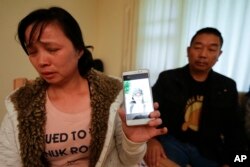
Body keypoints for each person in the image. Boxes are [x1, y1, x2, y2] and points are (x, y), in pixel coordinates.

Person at [0, 7, 167, 167]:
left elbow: (128, 160)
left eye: (52, 49)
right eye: (33, 52)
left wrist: (133, 142)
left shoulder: (113, 96)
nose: (41, 61)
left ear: (79, 50)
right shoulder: (20, 106)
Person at [144, 27, 247, 167]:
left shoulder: (227, 86)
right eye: (198, 47)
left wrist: (233, 161)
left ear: (219, 54)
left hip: (209, 148)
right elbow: (149, 112)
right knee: (151, 159)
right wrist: (151, 140)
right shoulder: (168, 78)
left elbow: (235, 129)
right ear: (188, 51)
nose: (203, 54)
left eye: (211, 49)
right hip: (172, 141)